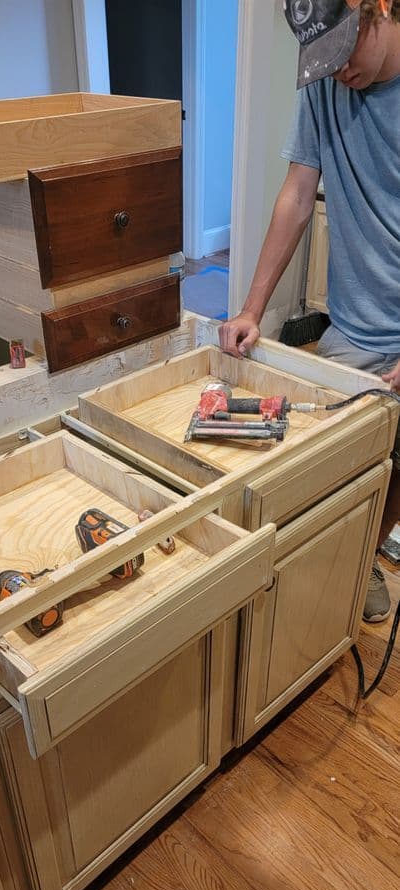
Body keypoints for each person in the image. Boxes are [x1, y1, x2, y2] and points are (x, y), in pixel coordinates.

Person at [219, 0, 400, 622]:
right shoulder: (326, 81)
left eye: (346, 47)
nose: (336, 69)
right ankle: (338, 563)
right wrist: (252, 308)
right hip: (354, 323)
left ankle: (368, 553)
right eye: (322, 56)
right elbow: (298, 195)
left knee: (396, 471)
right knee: (325, 464)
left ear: (378, 8)